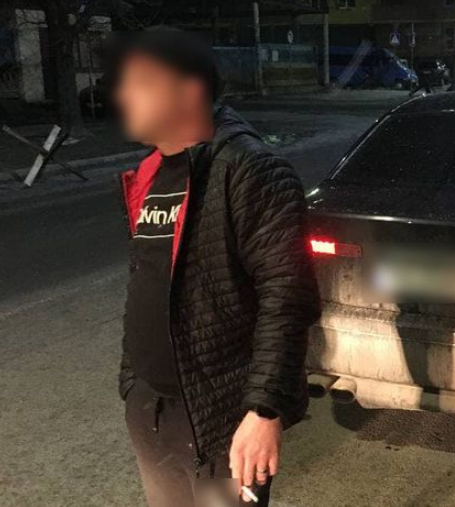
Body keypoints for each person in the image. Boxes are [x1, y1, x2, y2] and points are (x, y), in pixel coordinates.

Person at [109, 28, 320, 507]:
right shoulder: (150, 175)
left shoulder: (250, 169)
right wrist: (132, 383)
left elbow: (288, 296)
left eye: (142, 82)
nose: (123, 96)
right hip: (152, 409)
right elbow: (147, 279)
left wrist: (264, 410)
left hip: (222, 420)